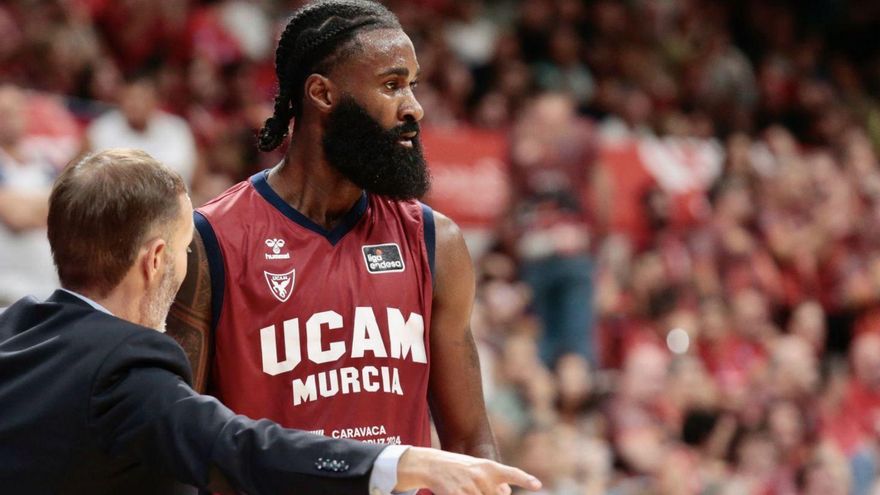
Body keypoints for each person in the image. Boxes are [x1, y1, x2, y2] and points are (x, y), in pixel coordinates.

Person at [0, 149, 542, 495]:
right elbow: (237, 446)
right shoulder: (128, 368)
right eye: (189, 247)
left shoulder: (17, 330)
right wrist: (399, 463)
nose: (192, 262)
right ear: (157, 259)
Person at [168, 0, 497, 461]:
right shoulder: (211, 241)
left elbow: (469, 441)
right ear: (322, 93)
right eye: (391, 85)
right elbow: (179, 438)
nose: (415, 108)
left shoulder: (434, 242)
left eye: (413, 86)